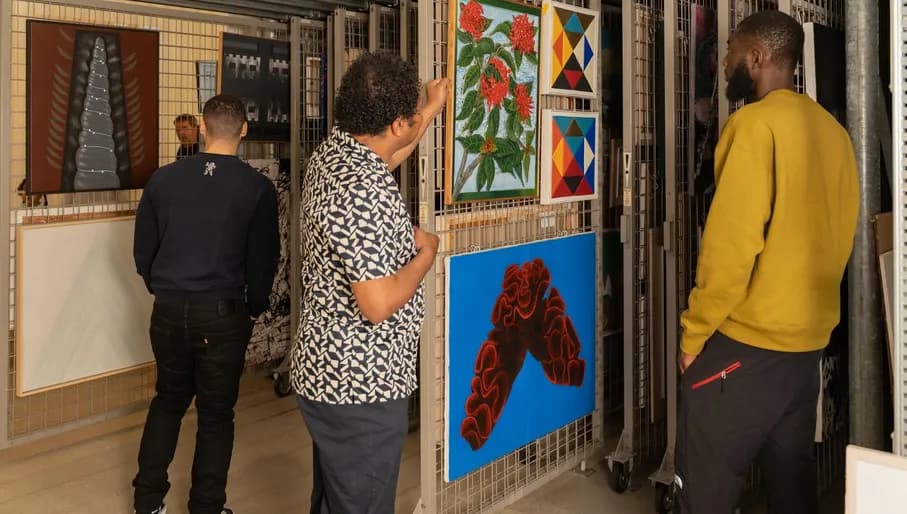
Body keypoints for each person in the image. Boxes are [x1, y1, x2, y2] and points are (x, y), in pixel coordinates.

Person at [674, 11, 858, 514]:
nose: (726, 61)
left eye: (732, 51)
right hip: (805, 353)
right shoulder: (836, 134)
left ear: (756, 59)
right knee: (790, 489)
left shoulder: (752, 126)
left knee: (705, 493)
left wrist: (693, 336)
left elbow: (730, 249)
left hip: (746, 347)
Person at [292, 52, 448, 513]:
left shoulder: (339, 151)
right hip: (361, 384)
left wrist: (431, 108)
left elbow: (395, 149)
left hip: (330, 375)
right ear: (396, 122)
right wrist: (426, 254)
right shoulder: (361, 190)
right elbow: (377, 304)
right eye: (411, 117)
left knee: (337, 500)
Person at [132, 95, 279, 514]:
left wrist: (164, 289)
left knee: (168, 400)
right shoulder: (257, 187)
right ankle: (207, 507)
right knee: (216, 416)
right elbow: (262, 260)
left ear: (201, 126)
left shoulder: (163, 180)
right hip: (224, 313)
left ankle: (147, 503)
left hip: (168, 308)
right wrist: (254, 307)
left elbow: (143, 253)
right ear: (244, 131)